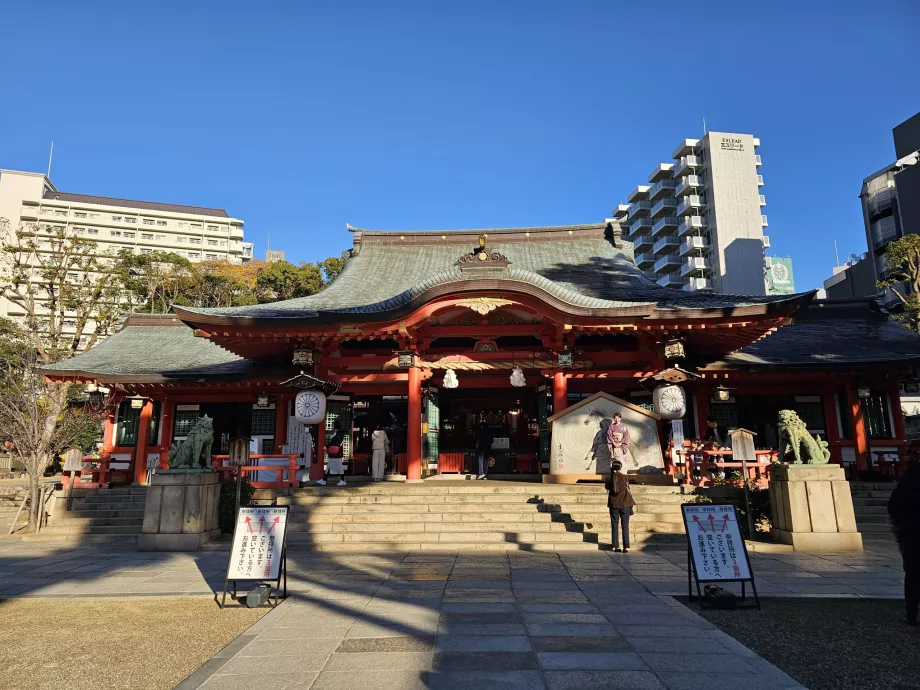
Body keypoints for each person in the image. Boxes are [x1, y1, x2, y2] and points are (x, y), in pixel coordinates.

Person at [888, 462, 920, 626]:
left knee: (913, 574)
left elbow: (892, 510)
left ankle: (911, 613)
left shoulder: (901, 492)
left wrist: (899, 527)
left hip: (910, 535)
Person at [605, 459, 636, 552]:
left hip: (614, 504)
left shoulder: (609, 478)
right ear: (620, 467)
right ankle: (625, 547)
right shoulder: (624, 477)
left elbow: (607, 487)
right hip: (625, 504)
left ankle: (615, 546)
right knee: (625, 526)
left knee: (614, 525)